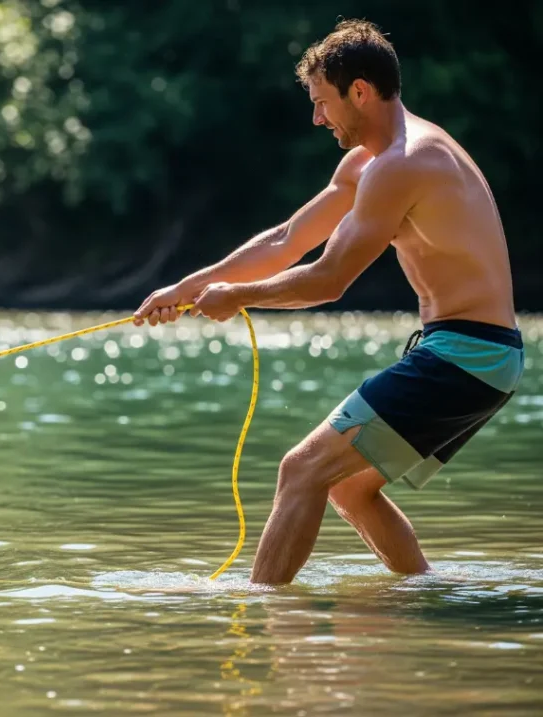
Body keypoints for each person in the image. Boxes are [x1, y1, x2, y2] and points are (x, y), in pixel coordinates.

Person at [133, 19, 523, 585]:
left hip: (469, 356)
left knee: (302, 470)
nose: (317, 119)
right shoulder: (368, 162)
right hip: (471, 355)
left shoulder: (404, 164)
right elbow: (287, 239)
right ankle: (424, 593)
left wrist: (236, 300)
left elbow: (328, 280)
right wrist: (187, 289)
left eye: (322, 103)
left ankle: (259, 613)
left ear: (359, 91)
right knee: (345, 485)